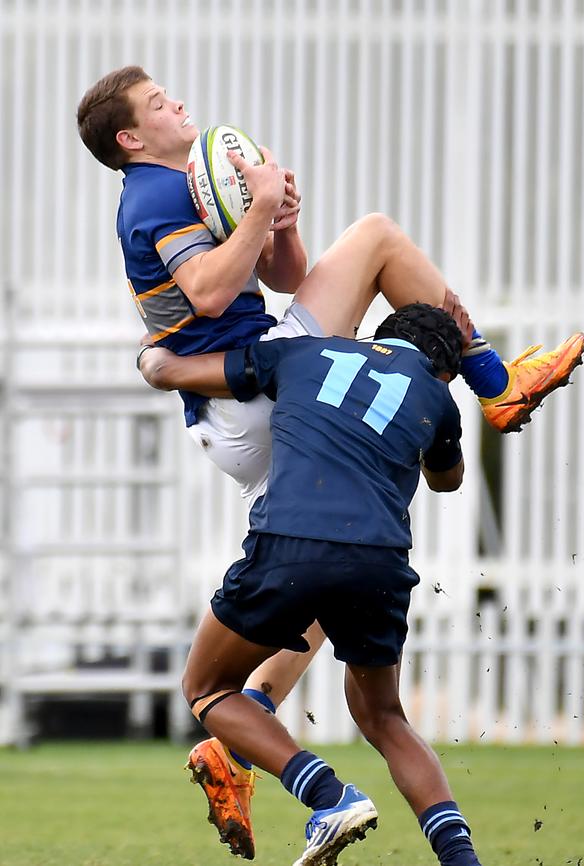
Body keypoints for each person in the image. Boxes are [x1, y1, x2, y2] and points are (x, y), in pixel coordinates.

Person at [77, 65, 584, 859]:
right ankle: (497, 383)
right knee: (380, 235)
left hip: (252, 392)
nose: (179, 102)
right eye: (158, 104)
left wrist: (276, 226)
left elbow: (275, 276)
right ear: (132, 139)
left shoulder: (192, 176)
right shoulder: (150, 194)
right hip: (243, 387)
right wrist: (262, 207)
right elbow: (211, 294)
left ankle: (239, 732)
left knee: (320, 572)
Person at [166, 304, 486, 866]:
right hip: (381, 559)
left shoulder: (303, 352)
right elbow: (447, 480)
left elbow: (193, 373)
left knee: (207, 688)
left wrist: (156, 364)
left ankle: (327, 796)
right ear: (444, 369)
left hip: (291, 542)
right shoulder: (438, 397)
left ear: (376, 337)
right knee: (384, 718)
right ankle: (462, 860)